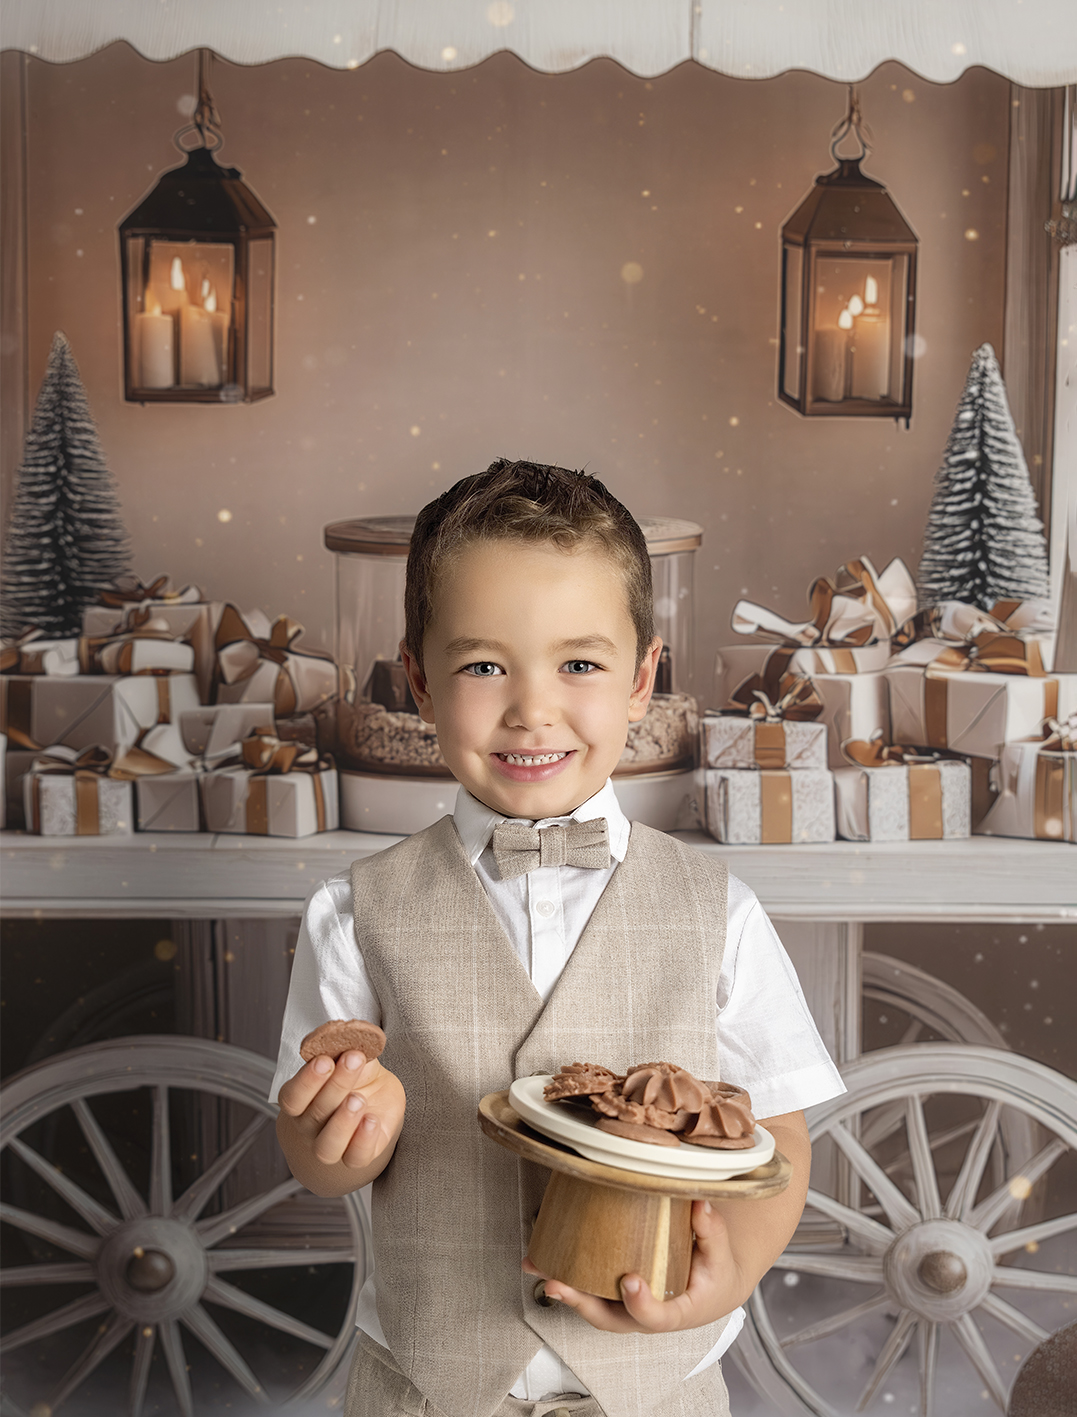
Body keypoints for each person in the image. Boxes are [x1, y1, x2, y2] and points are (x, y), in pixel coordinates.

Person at [271, 458, 845, 1417]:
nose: (530, 707)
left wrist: (728, 1273)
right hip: (424, 1387)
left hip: (654, 1394)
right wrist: (336, 1132)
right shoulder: (353, 911)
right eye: (482, 664)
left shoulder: (720, 911)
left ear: (641, 679)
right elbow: (319, 1162)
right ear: (417, 678)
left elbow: (780, 1135)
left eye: (578, 663)